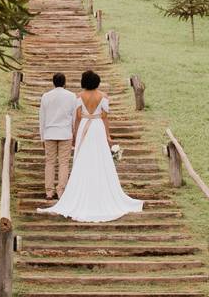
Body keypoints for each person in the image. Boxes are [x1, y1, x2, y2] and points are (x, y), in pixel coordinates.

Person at [37, 70, 143, 222]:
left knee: (81, 158)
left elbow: (78, 117)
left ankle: (65, 190)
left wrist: (75, 133)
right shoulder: (103, 96)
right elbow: (105, 118)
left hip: (84, 127)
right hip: (98, 127)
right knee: (99, 157)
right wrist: (108, 135)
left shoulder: (79, 96)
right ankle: (89, 189)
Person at [38, 72, 76, 200]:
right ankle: (61, 191)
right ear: (65, 82)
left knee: (49, 162)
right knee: (64, 163)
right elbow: (74, 117)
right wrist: (74, 132)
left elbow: (42, 118)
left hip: (49, 132)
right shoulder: (71, 96)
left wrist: (42, 136)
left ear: (53, 82)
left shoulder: (46, 96)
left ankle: (49, 191)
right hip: (65, 132)